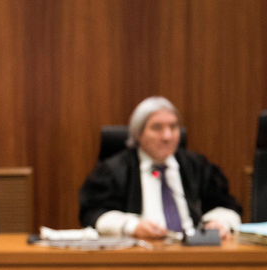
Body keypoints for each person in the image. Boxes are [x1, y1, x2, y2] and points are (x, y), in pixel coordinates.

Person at [79, 96, 241, 240]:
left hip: (194, 253)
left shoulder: (197, 165)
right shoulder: (113, 170)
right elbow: (92, 213)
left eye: (173, 127)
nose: (167, 136)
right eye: (157, 128)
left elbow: (227, 204)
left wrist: (218, 222)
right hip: (140, 255)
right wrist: (132, 226)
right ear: (138, 133)